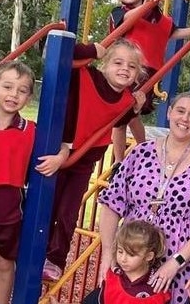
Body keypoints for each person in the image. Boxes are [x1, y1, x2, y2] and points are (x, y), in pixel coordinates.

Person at [98, 92, 190, 303]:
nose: (184, 119)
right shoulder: (140, 153)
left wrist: (175, 262)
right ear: (169, 113)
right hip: (132, 257)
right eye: (180, 111)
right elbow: (112, 203)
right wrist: (108, 254)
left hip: (180, 264)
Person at [43, 39, 146, 281]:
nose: (124, 69)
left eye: (132, 67)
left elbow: (119, 120)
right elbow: (53, 50)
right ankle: (36, 252)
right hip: (57, 150)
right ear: (104, 65)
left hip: (83, 161)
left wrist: (137, 109)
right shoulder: (85, 75)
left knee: (68, 213)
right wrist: (92, 50)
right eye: (118, 62)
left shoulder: (126, 100)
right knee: (47, 206)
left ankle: (55, 260)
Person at [0, 60, 69, 304]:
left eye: (22, 90)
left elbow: (65, 144)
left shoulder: (31, 130)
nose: (13, 95)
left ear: (29, 96)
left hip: (12, 212)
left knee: (6, 265)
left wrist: (60, 158)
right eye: (8, 87)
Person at [109, 0, 190, 163]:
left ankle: (143, 149)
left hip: (147, 73)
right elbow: (129, 18)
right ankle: (119, 160)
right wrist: (146, 5)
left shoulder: (155, 15)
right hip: (124, 71)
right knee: (120, 117)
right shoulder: (119, 12)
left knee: (132, 115)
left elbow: (172, 32)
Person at [52, 220, 170, 304]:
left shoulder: (157, 290)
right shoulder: (112, 279)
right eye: (120, 251)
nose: (123, 259)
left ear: (149, 256)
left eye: (131, 254)